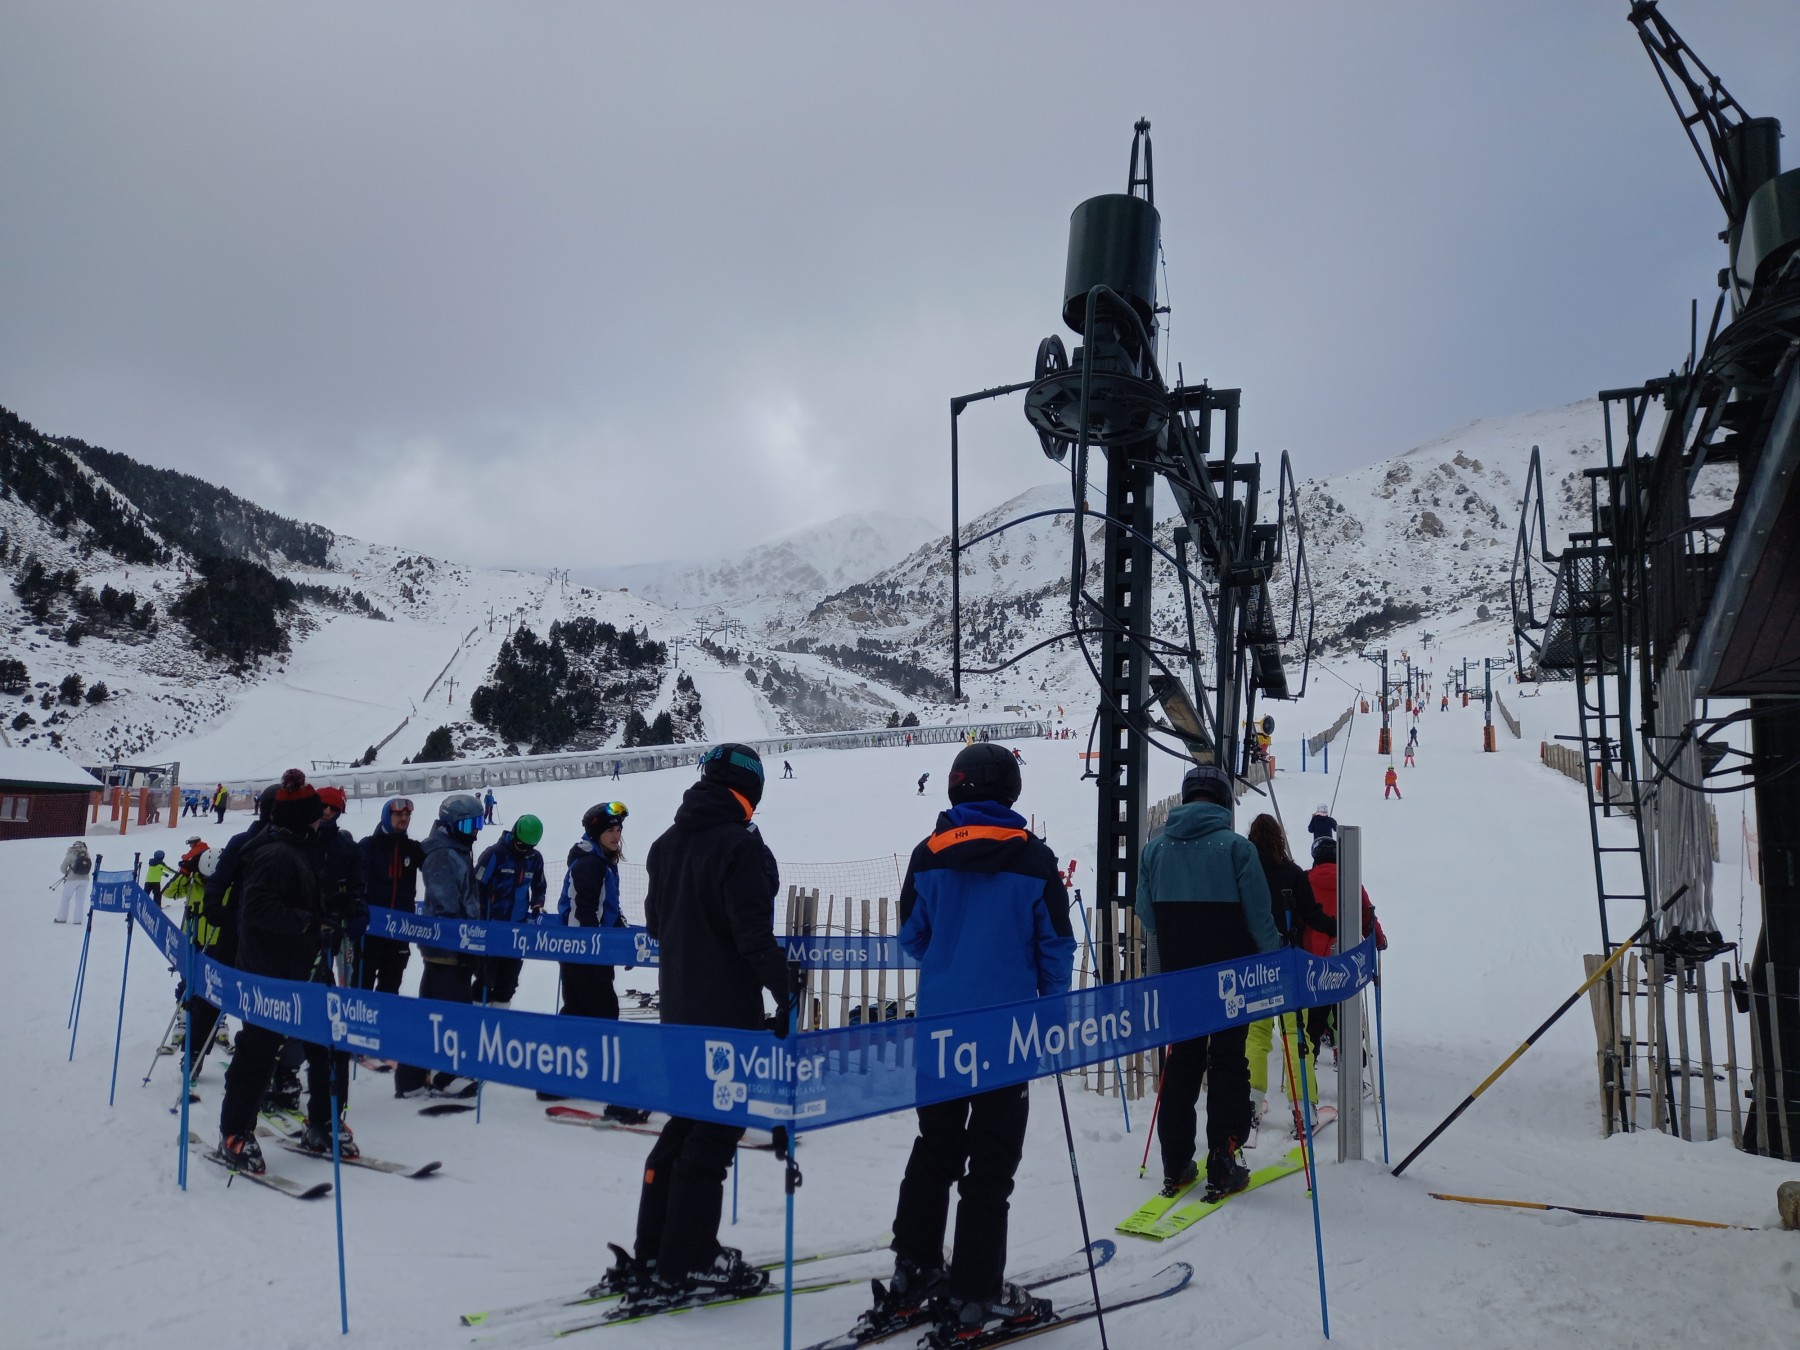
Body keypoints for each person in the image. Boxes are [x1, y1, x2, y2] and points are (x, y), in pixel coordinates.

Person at [867, 743, 1075, 1340]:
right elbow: (1056, 948)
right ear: (1009, 791)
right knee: (990, 1165)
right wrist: (1051, 1015)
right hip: (1007, 1035)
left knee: (935, 1148)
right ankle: (976, 1295)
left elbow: (911, 936)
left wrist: (952, 961)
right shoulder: (1034, 858)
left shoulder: (927, 854)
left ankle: (917, 1269)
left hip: (942, 1032)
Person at [605, 744, 791, 1309]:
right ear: (749, 789)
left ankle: (658, 1246)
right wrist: (788, 992)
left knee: (685, 1124)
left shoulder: (665, 844)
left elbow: (657, 925)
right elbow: (753, 937)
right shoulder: (740, 845)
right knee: (712, 1133)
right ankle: (689, 1257)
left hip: (679, 1010)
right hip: (726, 1016)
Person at [1136, 764, 1280, 1203]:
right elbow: (1259, 918)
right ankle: (1224, 1158)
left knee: (1182, 1063)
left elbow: (1147, 916)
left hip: (1180, 980)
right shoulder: (1236, 849)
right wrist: (1274, 960)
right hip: (1231, 981)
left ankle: (1177, 1161)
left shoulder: (1154, 851)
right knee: (1228, 1063)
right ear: (1223, 802)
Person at [215, 770, 362, 1172]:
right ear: (302, 817)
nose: (323, 819)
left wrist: (338, 905)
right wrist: (310, 923)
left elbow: (308, 894)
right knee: (258, 1052)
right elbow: (258, 909)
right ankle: (235, 1131)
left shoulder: (304, 847)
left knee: (328, 1044)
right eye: (317, 814)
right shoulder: (273, 852)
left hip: (308, 966)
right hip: (270, 971)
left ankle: (323, 1121)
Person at [549, 802, 645, 1121]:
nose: (616, 836)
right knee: (603, 1012)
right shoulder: (590, 864)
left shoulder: (602, 862)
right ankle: (609, 1082)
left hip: (589, 950)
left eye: (618, 830)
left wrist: (619, 940)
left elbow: (607, 910)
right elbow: (582, 911)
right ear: (595, 833)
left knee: (577, 1012)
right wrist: (595, 950)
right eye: (610, 831)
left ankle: (558, 1079)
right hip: (584, 951)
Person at [393, 793, 487, 1099]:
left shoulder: (457, 850)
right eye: (472, 823)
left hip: (453, 948)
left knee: (431, 1012)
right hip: (447, 948)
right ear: (453, 825)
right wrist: (462, 946)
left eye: (480, 822)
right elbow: (446, 907)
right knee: (453, 1015)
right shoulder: (444, 855)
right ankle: (447, 1074)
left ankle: (412, 1078)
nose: (477, 830)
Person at [1244, 815, 1324, 1132]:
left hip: (1253, 966)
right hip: (1287, 963)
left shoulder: (1245, 874)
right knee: (1295, 1034)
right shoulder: (1292, 873)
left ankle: (1250, 1100)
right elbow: (1312, 914)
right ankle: (1304, 1107)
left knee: (1256, 1035)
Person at [1299, 836, 1389, 1060]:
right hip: (1346, 954)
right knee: (1345, 1004)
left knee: (1317, 1007)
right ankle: (1352, 1057)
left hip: (1312, 955)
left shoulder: (1305, 880)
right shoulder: (1350, 881)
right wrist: (1378, 939)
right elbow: (1366, 913)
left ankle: (1310, 1058)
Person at [473, 813, 546, 1008]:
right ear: (514, 835)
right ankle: (475, 1019)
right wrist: (481, 919)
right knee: (485, 981)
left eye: (529, 847)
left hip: (517, 932)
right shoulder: (494, 854)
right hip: (492, 930)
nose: (524, 851)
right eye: (521, 845)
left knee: (509, 983)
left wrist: (538, 903)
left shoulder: (534, 858)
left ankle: (499, 1023)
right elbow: (476, 886)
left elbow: (539, 886)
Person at [358, 797, 423, 997]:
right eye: (398, 814)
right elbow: (355, 883)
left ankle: (384, 1026)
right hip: (370, 932)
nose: (404, 818)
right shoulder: (369, 846)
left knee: (390, 989)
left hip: (399, 931)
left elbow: (437, 867)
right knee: (361, 988)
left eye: (407, 815)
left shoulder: (413, 848)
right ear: (387, 817)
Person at [54, 840, 93, 923]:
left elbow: (63, 868)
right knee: (80, 900)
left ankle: (61, 918)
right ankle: (78, 920)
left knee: (66, 899)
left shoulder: (71, 854)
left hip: (72, 880)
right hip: (85, 880)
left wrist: (67, 874)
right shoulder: (87, 855)